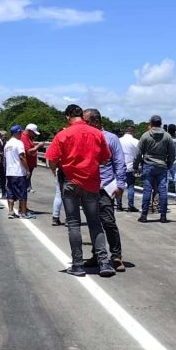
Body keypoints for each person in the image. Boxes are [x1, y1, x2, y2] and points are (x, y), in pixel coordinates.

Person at [45, 104, 114, 277]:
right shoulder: (97, 133)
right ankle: (104, 263)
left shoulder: (63, 134)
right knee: (95, 223)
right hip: (91, 183)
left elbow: (51, 159)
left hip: (70, 182)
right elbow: (105, 158)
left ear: (68, 116)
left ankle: (77, 265)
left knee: (73, 224)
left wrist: (56, 169)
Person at [85, 109, 126, 272]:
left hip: (105, 187)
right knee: (93, 223)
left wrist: (120, 184)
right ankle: (97, 254)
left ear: (96, 121)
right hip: (88, 187)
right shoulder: (85, 136)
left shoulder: (111, 138)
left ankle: (116, 256)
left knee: (108, 222)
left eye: (86, 122)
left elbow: (119, 162)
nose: (84, 124)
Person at [134, 115, 176, 223]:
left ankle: (144, 215)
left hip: (148, 165)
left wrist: (135, 166)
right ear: (160, 123)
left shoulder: (145, 135)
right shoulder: (167, 136)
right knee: (163, 191)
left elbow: (138, 153)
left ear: (151, 123)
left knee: (147, 190)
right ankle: (163, 216)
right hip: (162, 166)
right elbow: (172, 154)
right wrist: (169, 164)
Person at [3, 125, 33, 219]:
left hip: (9, 172)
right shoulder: (19, 143)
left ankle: (11, 211)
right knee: (22, 193)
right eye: (20, 133)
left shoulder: (7, 144)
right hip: (19, 172)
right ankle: (23, 213)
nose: (21, 134)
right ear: (17, 133)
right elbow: (22, 157)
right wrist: (27, 170)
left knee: (10, 192)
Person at [118, 125, 139, 212]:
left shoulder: (118, 140)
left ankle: (118, 205)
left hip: (119, 166)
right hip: (130, 166)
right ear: (133, 132)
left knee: (120, 186)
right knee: (131, 186)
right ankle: (131, 205)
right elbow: (139, 155)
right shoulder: (136, 141)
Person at [21, 124, 43, 192]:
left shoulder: (28, 138)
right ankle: (26, 187)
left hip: (30, 162)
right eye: (33, 133)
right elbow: (28, 151)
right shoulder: (24, 138)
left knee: (28, 175)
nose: (35, 135)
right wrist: (38, 146)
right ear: (29, 131)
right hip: (27, 162)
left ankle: (28, 186)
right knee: (27, 175)